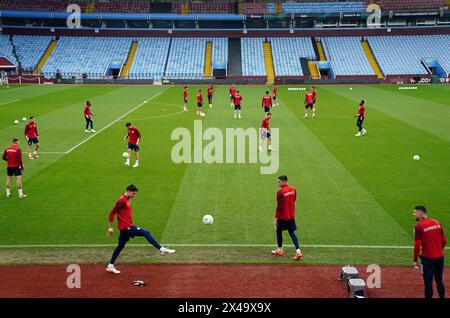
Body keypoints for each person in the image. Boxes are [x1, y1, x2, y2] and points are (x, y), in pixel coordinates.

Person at [106, 184, 175, 274]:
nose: (134, 195)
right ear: (129, 191)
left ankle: (110, 265)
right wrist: (110, 228)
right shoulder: (121, 201)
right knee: (146, 233)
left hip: (125, 228)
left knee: (120, 246)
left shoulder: (126, 199)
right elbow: (111, 213)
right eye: (133, 193)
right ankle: (162, 249)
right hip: (127, 228)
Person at [413, 205, 446, 298]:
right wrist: (438, 250)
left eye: (415, 212)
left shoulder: (418, 226)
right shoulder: (437, 222)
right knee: (439, 280)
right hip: (440, 257)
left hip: (427, 259)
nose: (413, 214)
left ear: (420, 213)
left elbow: (417, 246)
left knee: (428, 282)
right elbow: (444, 241)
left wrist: (415, 260)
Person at [271, 175, 302, 260]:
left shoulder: (280, 192)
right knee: (292, 233)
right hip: (291, 215)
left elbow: (279, 206)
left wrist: (276, 218)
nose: (278, 183)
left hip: (283, 217)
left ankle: (280, 250)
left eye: (279, 181)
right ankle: (298, 251)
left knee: (278, 231)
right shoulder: (293, 189)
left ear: (284, 181)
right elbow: (294, 199)